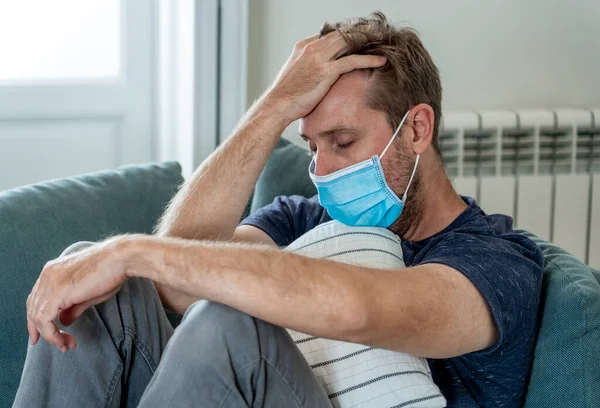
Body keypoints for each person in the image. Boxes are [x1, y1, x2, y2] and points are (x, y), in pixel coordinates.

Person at [15, 11, 543, 408]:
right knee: (104, 293)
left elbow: (356, 310)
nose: (327, 170)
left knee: (232, 326)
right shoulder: (303, 218)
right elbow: (172, 285)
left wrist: (130, 249)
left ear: (418, 129)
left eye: (343, 140)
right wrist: (274, 106)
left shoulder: (496, 261)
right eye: (313, 148)